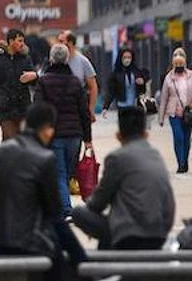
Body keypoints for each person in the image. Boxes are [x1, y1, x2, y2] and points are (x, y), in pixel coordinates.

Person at [0, 102, 87, 281]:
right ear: (48, 130)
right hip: (22, 242)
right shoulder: (44, 159)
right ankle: (85, 269)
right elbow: (54, 212)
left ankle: (84, 267)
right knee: (59, 236)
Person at [71, 107, 175, 250]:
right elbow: (169, 206)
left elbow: (98, 202)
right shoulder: (156, 156)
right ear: (146, 135)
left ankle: (103, 265)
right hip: (158, 234)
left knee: (78, 213)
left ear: (119, 136)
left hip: (127, 234)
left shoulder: (117, 158)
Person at [34, 44, 91, 215]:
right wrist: (88, 139)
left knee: (59, 172)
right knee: (66, 173)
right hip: (74, 135)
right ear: (67, 59)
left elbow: (38, 108)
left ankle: (65, 209)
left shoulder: (43, 81)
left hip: (53, 134)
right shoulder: (75, 82)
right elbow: (84, 112)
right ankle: (62, 205)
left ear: (51, 59)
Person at [0, 29, 38, 141]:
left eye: (23, 41)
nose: (22, 44)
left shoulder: (25, 59)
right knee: (11, 140)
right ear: (10, 41)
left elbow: (34, 81)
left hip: (23, 108)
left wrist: (34, 76)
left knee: (24, 141)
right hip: (5, 110)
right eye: (19, 41)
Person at [158, 51, 192, 173]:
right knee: (178, 137)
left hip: (188, 113)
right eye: (176, 63)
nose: (179, 65)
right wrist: (161, 118)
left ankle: (185, 159)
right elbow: (164, 98)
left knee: (186, 139)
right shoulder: (169, 78)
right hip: (174, 113)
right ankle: (181, 163)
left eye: (181, 63)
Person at [60, 31, 99, 123]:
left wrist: (91, 108)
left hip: (77, 107)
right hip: (59, 108)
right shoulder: (56, 60)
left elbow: (93, 86)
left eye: (61, 41)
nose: (59, 44)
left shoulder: (83, 61)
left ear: (70, 43)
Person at [102, 48, 150, 116]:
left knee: (136, 126)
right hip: (122, 106)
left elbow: (146, 77)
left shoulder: (136, 72)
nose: (127, 60)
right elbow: (111, 92)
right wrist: (105, 107)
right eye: (125, 57)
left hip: (136, 106)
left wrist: (142, 81)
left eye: (129, 57)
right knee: (125, 126)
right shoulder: (116, 74)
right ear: (120, 59)